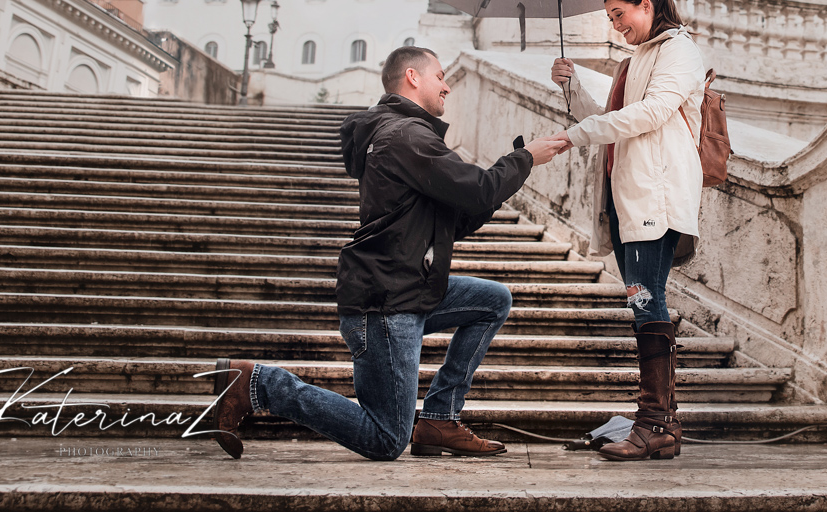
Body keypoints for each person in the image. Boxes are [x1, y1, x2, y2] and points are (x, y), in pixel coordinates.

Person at [207, 45, 570, 461]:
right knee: (385, 439)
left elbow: (457, 219)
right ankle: (256, 383)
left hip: (404, 288)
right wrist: (524, 158)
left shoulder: (402, 135)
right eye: (439, 77)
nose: (447, 86)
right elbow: (479, 187)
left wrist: (513, 172)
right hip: (383, 303)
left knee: (492, 300)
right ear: (413, 77)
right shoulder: (405, 135)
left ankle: (439, 419)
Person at [547, 0, 705, 462]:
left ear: (646, 4)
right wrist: (573, 87)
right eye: (610, 19)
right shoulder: (634, 60)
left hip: (655, 197)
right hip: (626, 198)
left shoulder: (678, 50)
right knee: (644, 299)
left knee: (646, 299)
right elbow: (615, 119)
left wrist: (577, 135)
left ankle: (654, 423)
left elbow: (652, 113)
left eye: (620, 15)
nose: (616, 26)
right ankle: (662, 424)